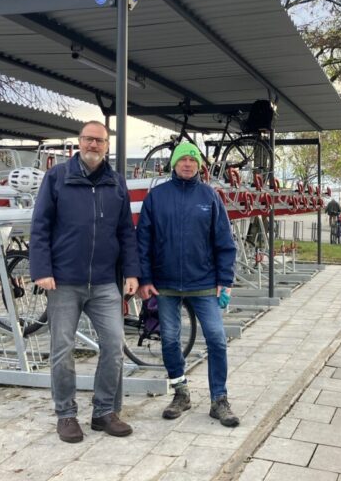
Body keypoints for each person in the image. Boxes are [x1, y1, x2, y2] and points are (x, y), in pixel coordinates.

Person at [30, 120, 140, 443]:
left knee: (114, 345)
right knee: (62, 348)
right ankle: (65, 415)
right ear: (79, 142)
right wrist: (42, 269)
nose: (94, 145)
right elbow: (40, 227)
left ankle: (104, 411)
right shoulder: (57, 178)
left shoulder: (116, 183)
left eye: (100, 141)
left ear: (107, 146)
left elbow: (126, 232)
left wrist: (131, 273)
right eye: (88, 139)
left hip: (105, 282)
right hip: (63, 281)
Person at [136, 142, 240, 427]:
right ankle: (181, 393)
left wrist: (225, 281)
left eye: (192, 160)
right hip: (165, 284)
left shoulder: (210, 196)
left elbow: (224, 242)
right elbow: (142, 241)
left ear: (199, 166)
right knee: (170, 340)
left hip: (204, 283)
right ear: (174, 163)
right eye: (182, 159)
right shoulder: (156, 197)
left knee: (217, 339)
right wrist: (144, 278)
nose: (187, 164)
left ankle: (219, 399)